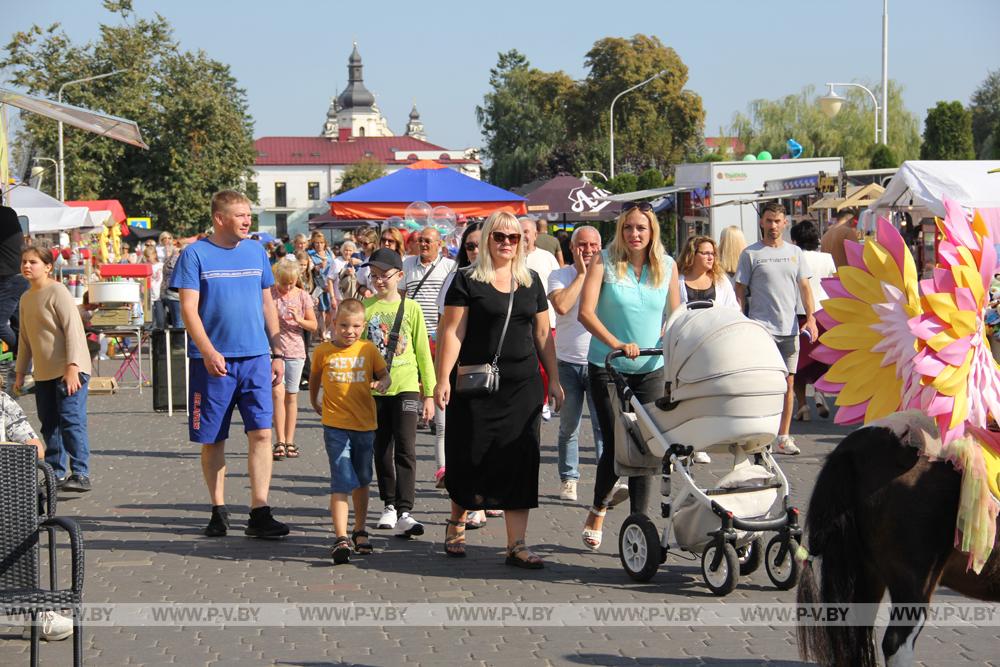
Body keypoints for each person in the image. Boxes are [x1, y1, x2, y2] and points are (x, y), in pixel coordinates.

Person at [435, 210, 563, 567]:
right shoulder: (466, 279)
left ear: (522, 242)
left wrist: (553, 378)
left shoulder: (532, 280)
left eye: (514, 238)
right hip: (476, 383)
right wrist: (442, 378)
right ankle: (457, 521)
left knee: (520, 459)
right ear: (488, 238)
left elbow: (542, 334)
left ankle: (516, 544)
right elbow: (453, 332)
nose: (507, 243)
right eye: (500, 237)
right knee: (469, 453)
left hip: (521, 386)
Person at [171, 190, 290, 538]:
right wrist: (207, 350)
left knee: (263, 433)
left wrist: (277, 350)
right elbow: (189, 310)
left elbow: (268, 303)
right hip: (213, 362)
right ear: (219, 218)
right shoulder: (194, 255)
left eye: (248, 214)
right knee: (213, 439)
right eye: (240, 215)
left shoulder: (257, 252)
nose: (247, 220)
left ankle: (259, 509)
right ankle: (218, 509)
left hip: (255, 358)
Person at [578, 202, 680, 551]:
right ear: (620, 231)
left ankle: (640, 522)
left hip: (650, 369)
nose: (634, 235)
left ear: (652, 233)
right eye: (628, 228)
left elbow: (676, 315)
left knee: (646, 446)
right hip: (607, 365)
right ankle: (598, 507)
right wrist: (618, 344)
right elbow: (586, 313)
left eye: (641, 228)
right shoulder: (603, 262)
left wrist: (671, 338)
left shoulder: (667, 266)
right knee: (616, 443)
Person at [309, 298, 392, 564]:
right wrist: (313, 400)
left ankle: (360, 529)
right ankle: (340, 536)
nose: (349, 331)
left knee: (363, 478)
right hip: (335, 426)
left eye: (356, 326)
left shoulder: (368, 349)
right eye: (344, 325)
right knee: (341, 478)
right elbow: (314, 378)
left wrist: (383, 383)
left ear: (363, 326)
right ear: (334, 323)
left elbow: (384, 374)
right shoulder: (323, 351)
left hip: (365, 425)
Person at [362, 248, 436, 537]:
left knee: (406, 447)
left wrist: (428, 393)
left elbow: (422, 352)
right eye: (374, 276)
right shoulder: (366, 308)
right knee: (381, 448)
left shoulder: (412, 308)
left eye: (385, 276)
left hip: (406, 386)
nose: (379, 281)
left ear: (400, 276)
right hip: (375, 390)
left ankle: (406, 509)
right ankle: (388, 505)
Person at [735, 202, 818, 456]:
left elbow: (804, 287)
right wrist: (740, 320)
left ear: (785, 223)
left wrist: (811, 318)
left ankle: (783, 436)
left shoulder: (795, 253)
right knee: (761, 385)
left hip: (789, 329)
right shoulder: (751, 254)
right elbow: (740, 290)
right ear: (762, 222)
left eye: (777, 221)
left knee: (788, 384)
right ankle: (759, 435)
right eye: (769, 220)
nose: (773, 226)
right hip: (761, 330)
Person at [14, 246, 92, 492]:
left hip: (70, 369)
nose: (27, 266)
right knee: (49, 423)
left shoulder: (58, 292)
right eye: (24, 262)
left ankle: (80, 473)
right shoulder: (26, 298)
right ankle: (55, 473)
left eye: (33, 262)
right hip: (44, 372)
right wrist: (20, 373)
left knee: (71, 420)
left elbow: (73, 330)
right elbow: (25, 339)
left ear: (48, 267)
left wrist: (72, 366)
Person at [434, 222, 488, 528]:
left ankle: (486, 494)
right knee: (466, 439)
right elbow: (446, 330)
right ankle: (469, 503)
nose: (476, 251)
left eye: (481, 244)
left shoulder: (505, 277)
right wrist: (440, 375)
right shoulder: (456, 279)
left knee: (491, 440)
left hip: (496, 368)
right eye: (470, 246)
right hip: (463, 369)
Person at [547, 225, 605, 502]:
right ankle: (569, 479)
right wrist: (582, 274)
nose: (589, 250)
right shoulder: (560, 275)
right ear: (572, 248)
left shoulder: (610, 274)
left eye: (594, 245)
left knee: (602, 426)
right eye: (583, 245)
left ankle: (608, 480)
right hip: (567, 362)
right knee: (568, 427)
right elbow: (562, 306)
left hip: (600, 361)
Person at [401, 227, 456, 439]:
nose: (423, 244)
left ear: (439, 244)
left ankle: (436, 416)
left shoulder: (450, 267)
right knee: (413, 375)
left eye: (428, 241)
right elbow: (400, 297)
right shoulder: (407, 264)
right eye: (420, 240)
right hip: (413, 331)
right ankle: (415, 413)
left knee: (435, 375)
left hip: (439, 331)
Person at [270, 259, 317, 460]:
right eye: (283, 283)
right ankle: (279, 439)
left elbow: (314, 325)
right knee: (277, 394)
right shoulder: (270, 294)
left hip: (296, 350)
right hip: (273, 350)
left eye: (290, 283)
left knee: (291, 395)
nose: (287, 287)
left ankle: (290, 440)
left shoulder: (302, 296)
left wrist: (299, 319)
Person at [790, 219, 836, 421]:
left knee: (798, 363)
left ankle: (802, 406)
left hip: (799, 313)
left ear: (794, 239)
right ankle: (819, 389)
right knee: (822, 357)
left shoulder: (792, 257)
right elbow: (834, 285)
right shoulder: (827, 258)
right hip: (824, 313)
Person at [519, 217, 560, 420]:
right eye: (521, 231)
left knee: (544, 364)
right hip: (520, 322)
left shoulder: (546, 257)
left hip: (546, 319)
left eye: (527, 231)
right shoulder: (511, 257)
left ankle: (543, 400)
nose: (524, 235)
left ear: (536, 235)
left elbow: (556, 283)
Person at [0, 207, 29, 382]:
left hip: (9, 277)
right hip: (20, 275)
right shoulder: (9, 213)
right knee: (20, 325)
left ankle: (21, 353)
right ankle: (25, 368)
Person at [676, 235, 739, 308]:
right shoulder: (678, 280)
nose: (711, 257)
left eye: (712, 253)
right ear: (692, 254)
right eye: (706, 253)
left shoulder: (721, 280)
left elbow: (733, 308)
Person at [308, 232, 336, 339]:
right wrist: (318, 266)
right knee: (322, 311)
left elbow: (335, 265)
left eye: (321, 243)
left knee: (330, 311)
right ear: (313, 244)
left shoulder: (329, 252)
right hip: (319, 286)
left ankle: (325, 329)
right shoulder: (311, 255)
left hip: (330, 285)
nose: (319, 245)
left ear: (325, 243)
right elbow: (310, 268)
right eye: (316, 243)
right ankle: (323, 333)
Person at [160, 239, 185, 328]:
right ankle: (179, 342)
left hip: (171, 293)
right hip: (175, 294)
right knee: (179, 323)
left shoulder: (171, 259)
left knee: (176, 322)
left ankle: (177, 341)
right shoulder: (175, 258)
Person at [142, 246, 166, 329]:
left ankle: (161, 339)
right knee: (149, 321)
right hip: (149, 297)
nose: (148, 259)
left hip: (159, 296)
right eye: (146, 257)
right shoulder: (146, 267)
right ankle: (152, 339)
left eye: (149, 256)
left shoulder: (161, 265)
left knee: (161, 320)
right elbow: (143, 281)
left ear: (155, 255)